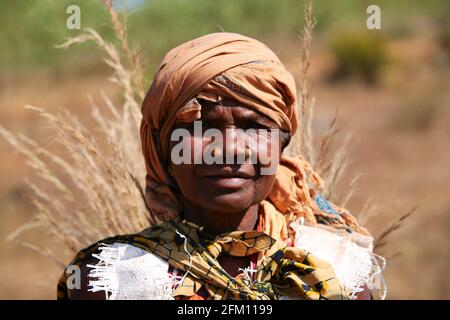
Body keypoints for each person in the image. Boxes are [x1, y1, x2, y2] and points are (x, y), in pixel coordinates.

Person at [57, 32, 383, 300]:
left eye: (254, 127)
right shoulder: (112, 280)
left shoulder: (339, 271)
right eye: (200, 128)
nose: (227, 149)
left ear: (280, 146)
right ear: (163, 151)